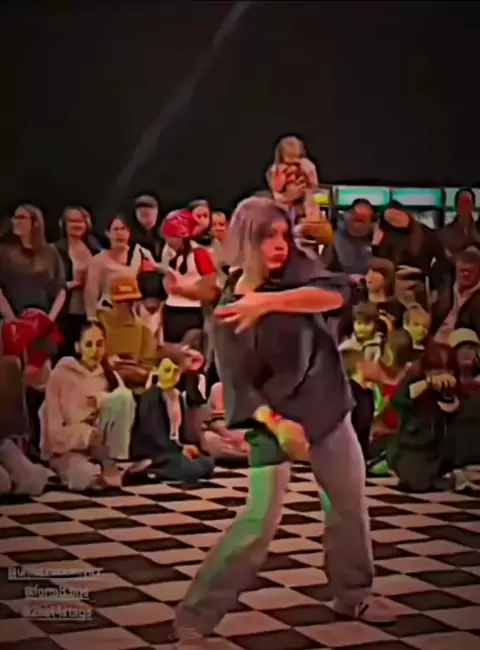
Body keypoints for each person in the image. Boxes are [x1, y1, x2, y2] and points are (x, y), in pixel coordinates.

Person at [174, 196, 395, 649]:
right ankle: (195, 617)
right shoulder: (228, 310)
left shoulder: (296, 270)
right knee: (259, 520)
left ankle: (354, 594)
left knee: (347, 503)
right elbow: (241, 386)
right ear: (245, 241)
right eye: (267, 237)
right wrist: (277, 425)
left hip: (325, 403)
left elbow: (339, 293)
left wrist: (270, 302)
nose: (279, 245)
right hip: (270, 417)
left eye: (282, 235)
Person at [39, 322, 135, 491]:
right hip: (65, 448)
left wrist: (101, 399)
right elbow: (54, 434)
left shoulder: (108, 375)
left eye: (99, 344)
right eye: (89, 345)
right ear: (78, 347)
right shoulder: (60, 375)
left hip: (100, 448)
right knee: (85, 477)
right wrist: (87, 435)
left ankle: (112, 463)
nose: (94, 351)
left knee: (124, 397)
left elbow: (124, 405)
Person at [160, 209, 218, 343]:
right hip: (171, 311)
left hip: (191, 313)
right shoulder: (171, 255)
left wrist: (181, 290)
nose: (168, 241)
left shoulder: (200, 254)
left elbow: (211, 291)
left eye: (172, 236)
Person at [84, 215, 156, 320]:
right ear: (108, 233)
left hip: (135, 314)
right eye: (115, 229)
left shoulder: (141, 254)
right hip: (108, 313)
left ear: (129, 232)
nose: (119, 233)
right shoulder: (98, 260)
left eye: (123, 229)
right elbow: (91, 292)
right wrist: (92, 317)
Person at [55, 206, 102, 357]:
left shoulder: (95, 248)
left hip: (92, 314)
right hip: (66, 314)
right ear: (63, 224)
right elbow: (50, 285)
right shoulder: (55, 250)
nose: (77, 225)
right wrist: (75, 283)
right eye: (72, 221)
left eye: (80, 221)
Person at [98, 276, 158, 390]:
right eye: (120, 301)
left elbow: (148, 367)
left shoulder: (143, 329)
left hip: (134, 384)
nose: (125, 306)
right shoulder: (100, 321)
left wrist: (132, 371)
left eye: (129, 301)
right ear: (112, 301)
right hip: (103, 378)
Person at [434, 244, 480, 341]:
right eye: (462, 271)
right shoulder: (447, 286)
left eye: (470, 271)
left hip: (466, 343)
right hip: (438, 337)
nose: (465, 274)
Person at [322, 199, 375, 278]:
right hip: (341, 281)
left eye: (364, 217)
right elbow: (325, 268)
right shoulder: (336, 237)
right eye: (357, 215)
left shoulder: (376, 236)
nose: (360, 218)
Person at [440, 188, 480, 257]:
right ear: (456, 206)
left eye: (467, 202)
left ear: (473, 206)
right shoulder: (445, 233)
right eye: (462, 203)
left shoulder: (478, 230)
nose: (464, 206)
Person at [131, 193, 164, 260]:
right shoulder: (130, 236)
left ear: (157, 211)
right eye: (139, 208)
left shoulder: (165, 233)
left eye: (149, 207)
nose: (144, 209)